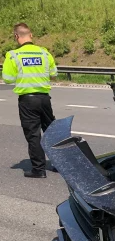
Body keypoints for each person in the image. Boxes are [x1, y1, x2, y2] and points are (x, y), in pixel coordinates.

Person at [2, 23, 58, 178]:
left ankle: (38, 170)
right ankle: (60, 165)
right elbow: (54, 74)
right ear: (31, 35)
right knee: (51, 132)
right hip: (45, 98)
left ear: (16, 36)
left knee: (33, 135)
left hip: (27, 100)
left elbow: (7, 79)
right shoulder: (44, 53)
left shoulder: (13, 55)